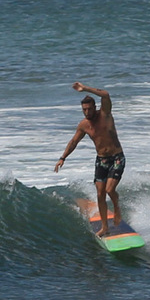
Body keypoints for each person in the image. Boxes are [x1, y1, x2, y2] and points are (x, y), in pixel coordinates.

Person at [54, 82, 125, 237]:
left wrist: (85, 88)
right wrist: (63, 158)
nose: (86, 112)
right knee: (100, 193)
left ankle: (117, 208)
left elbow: (105, 95)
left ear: (95, 108)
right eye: (84, 110)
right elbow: (73, 142)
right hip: (101, 160)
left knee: (109, 189)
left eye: (89, 109)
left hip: (117, 157)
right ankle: (105, 227)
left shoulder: (105, 114)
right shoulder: (84, 125)